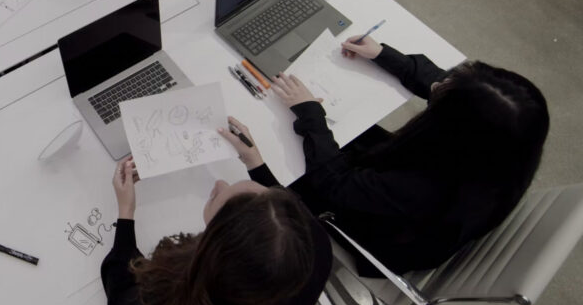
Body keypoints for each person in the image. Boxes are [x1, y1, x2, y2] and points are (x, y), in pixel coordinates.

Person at [222, 35, 550, 276]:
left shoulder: (421, 187)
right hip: (402, 207)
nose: (439, 85)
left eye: (443, 93)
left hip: (369, 235)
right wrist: (386, 56)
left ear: (452, 132)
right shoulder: (503, 146)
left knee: (277, 157)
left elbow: (332, 184)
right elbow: (456, 93)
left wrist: (308, 113)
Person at [102, 155, 331, 305]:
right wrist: (256, 162)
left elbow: (121, 294)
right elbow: (287, 207)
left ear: (217, 244)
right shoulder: (317, 245)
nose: (220, 184)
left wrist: (125, 211)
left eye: (218, 197)